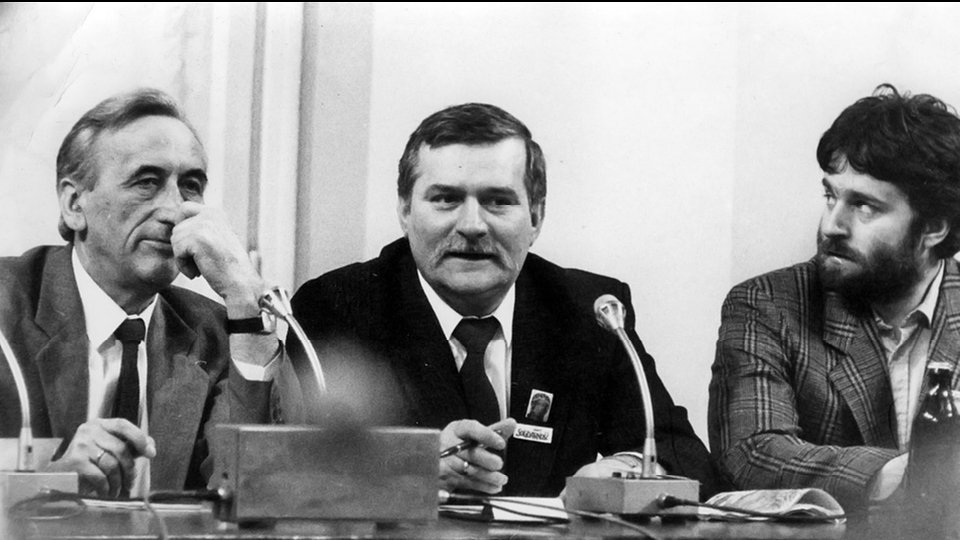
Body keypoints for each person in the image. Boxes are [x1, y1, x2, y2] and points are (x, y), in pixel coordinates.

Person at [291, 102, 720, 498]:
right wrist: (410, 466)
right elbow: (293, 468)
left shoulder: (586, 310)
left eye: (497, 201)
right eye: (446, 199)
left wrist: (621, 470)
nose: (472, 225)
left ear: (536, 216)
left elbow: (683, 455)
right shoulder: (338, 307)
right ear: (405, 210)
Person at [0, 88, 286, 498]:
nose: (174, 211)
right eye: (147, 183)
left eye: (190, 186)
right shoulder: (7, 309)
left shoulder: (220, 332)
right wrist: (51, 483)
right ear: (74, 204)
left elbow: (253, 490)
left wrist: (244, 295)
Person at [709, 84, 960, 510]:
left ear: (934, 227)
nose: (831, 225)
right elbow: (753, 452)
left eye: (864, 206)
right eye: (831, 195)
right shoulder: (768, 304)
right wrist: (904, 474)